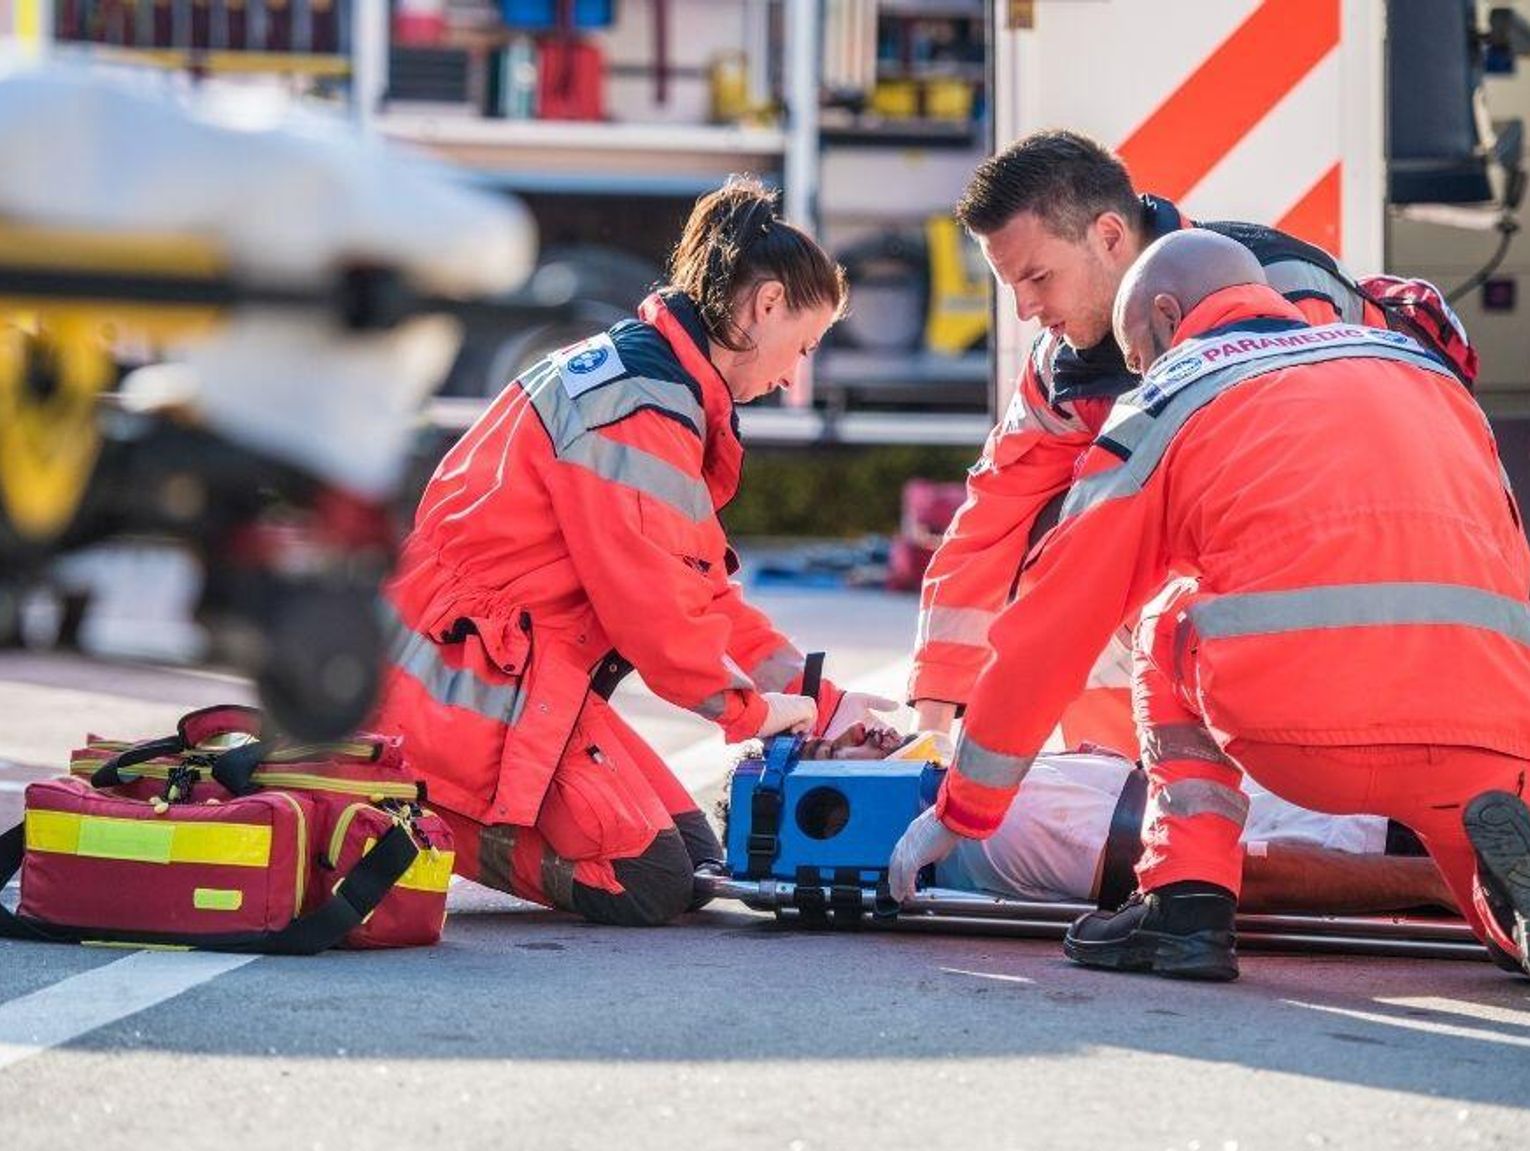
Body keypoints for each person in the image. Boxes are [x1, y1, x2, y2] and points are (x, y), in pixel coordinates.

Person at [888, 229, 1530, 981]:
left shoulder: (1176, 388)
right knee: (1489, 905)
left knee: (1168, 616)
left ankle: (1185, 901)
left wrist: (964, 809)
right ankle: (1508, 925)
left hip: (1307, 730)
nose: (1136, 374)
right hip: (1489, 727)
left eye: (1135, 355)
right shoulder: (1417, 367)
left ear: (1166, 316)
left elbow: (1056, 620)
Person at [374, 177, 896, 927]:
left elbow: (702, 592)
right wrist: (753, 711)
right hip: (464, 684)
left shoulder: (657, 386)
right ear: (767, 304)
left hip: (505, 671)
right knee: (651, 880)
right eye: (803, 347)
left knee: (697, 864)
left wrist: (824, 701)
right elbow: (659, 619)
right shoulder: (641, 407)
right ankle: (424, 803)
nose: (792, 376)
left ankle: (448, 790)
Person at [908, 130, 1474, 754]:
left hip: (1368, 578)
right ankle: (1118, 791)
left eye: (1038, 277)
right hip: (1282, 579)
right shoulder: (1061, 366)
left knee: (1116, 574)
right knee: (1059, 561)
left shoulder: (1281, 292)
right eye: (1011, 285)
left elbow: (1317, 500)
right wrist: (931, 726)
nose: (1024, 310)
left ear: (1110, 237)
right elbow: (991, 521)